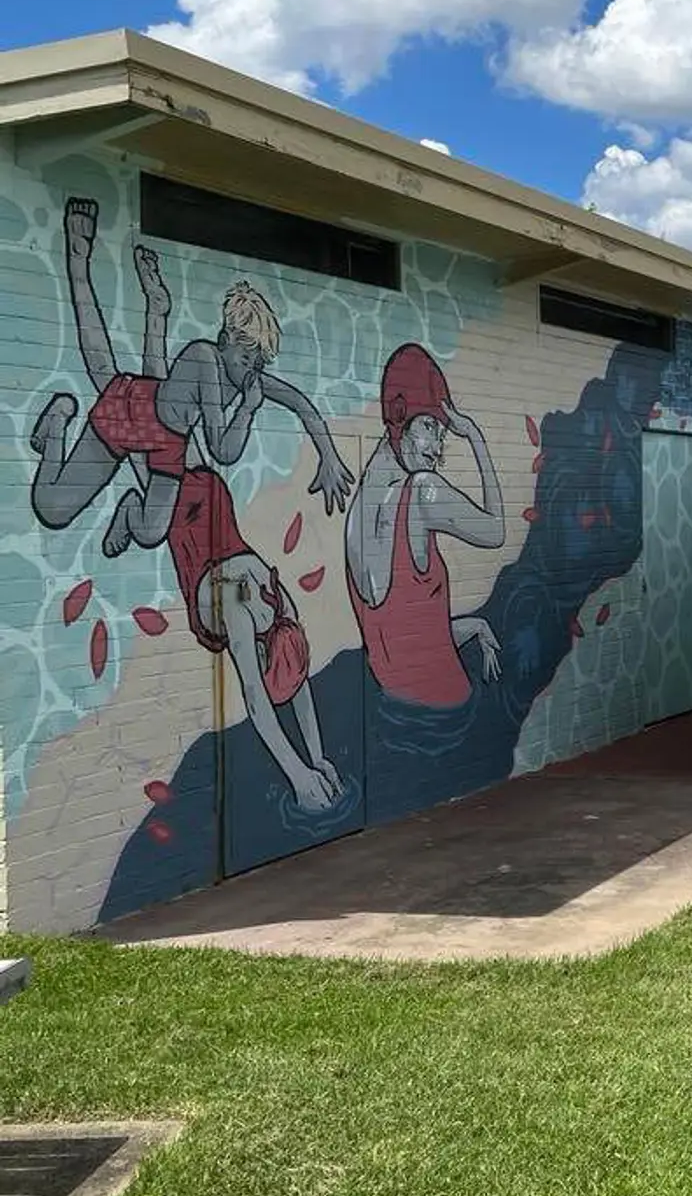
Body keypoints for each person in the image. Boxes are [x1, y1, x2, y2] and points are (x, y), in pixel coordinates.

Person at [29, 196, 353, 553]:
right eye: (247, 358)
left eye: (258, 363)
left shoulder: (246, 375)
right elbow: (222, 449)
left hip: (169, 442)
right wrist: (247, 409)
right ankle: (58, 421)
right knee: (52, 508)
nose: (252, 369)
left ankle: (128, 511)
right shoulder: (204, 358)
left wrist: (329, 455)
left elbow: (300, 403)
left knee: (152, 533)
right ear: (225, 341)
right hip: (134, 413)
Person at [168, 466, 343, 813]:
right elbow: (256, 700)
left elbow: (299, 686)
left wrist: (318, 759)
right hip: (186, 523)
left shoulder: (280, 603)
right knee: (155, 500)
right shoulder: (238, 608)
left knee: (178, 467)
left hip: (214, 493)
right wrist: (299, 776)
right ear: (262, 654)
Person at [345, 343, 505, 708]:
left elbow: (405, 637)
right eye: (431, 426)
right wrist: (475, 436)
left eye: (443, 434)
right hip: (449, 715)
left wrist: (475, 626)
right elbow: (495, 531)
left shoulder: (358, 516)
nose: (438, 448)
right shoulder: (421, 491)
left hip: (394, 711)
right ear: (399, 413)